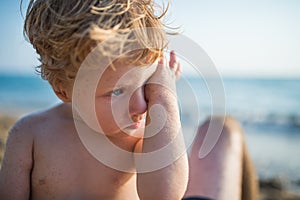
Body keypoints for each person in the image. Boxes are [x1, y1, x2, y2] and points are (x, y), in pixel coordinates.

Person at [0, 0, 258, 199]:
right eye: (117, 92)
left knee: (224, 129)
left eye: (148, 84)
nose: (142, 106)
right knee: (224, 134)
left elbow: (164, 195)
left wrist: (164, 91)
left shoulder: (138, 138)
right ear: (63, 90)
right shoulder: (30, 135)